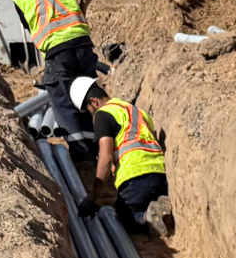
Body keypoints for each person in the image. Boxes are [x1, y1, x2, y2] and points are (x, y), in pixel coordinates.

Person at [71, 76, 173, 237]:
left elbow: (105, 157)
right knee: (144, 198)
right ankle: (158, 205)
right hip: (160, 175)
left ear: (94, 102)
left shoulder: (102, 114)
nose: (90, 115)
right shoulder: (136, 111)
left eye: (88, 110)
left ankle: (147, 217)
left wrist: (93, 196)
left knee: (125, 216)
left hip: (134, 176)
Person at [0, 0, 96, 113]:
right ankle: (105, 130)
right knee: (92, 95)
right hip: (82, 41)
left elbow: (30, 28)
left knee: (65, 105)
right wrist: (82, 10)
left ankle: (80, 137)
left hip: (57, 52)